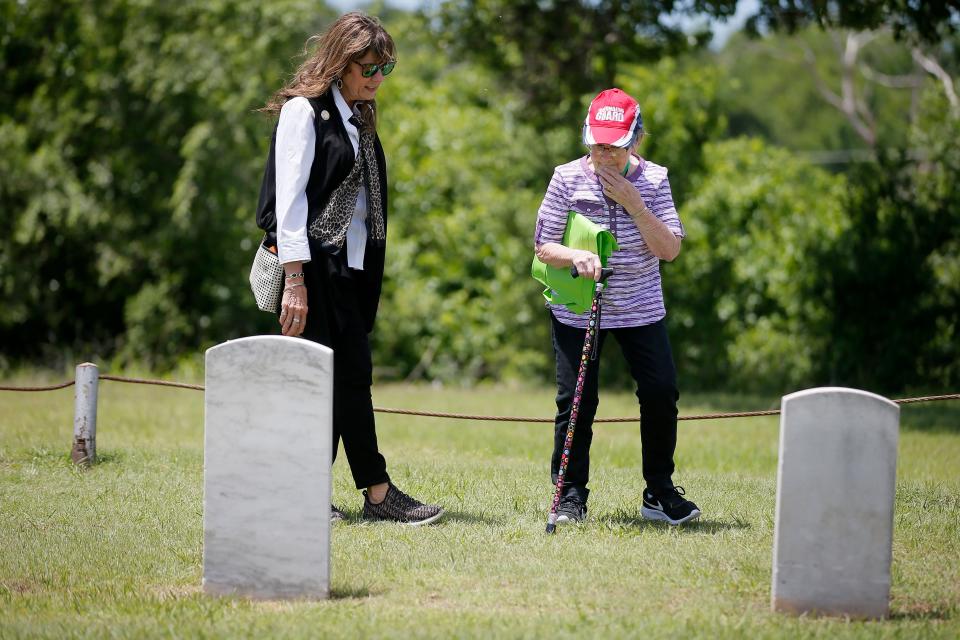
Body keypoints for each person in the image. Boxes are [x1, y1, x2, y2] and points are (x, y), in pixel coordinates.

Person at [257, 12, 443, 525]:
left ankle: (311, 492)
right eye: (369, 67)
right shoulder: (305, 112)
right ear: (341, 62)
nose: (378, 78)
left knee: (343, 380)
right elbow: (290, 204)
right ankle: (376, 493)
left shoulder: (358, 115)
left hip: (354, 267)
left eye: (386, 69)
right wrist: (295, 282)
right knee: (337, 380)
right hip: (313, 268)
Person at [533, 88, 700, 526]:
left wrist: (636, 205)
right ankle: (569, 495)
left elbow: (670, 250)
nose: (604, 155)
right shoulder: (567, 177)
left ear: (636, 141)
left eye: (615, 146)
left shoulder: (656, 180)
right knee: (577, 400)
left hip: (640, 306)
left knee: (662, 392)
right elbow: (543, 246)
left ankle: (659, 493)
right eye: (597, 144)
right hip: (578, 307)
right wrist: (575, 257)